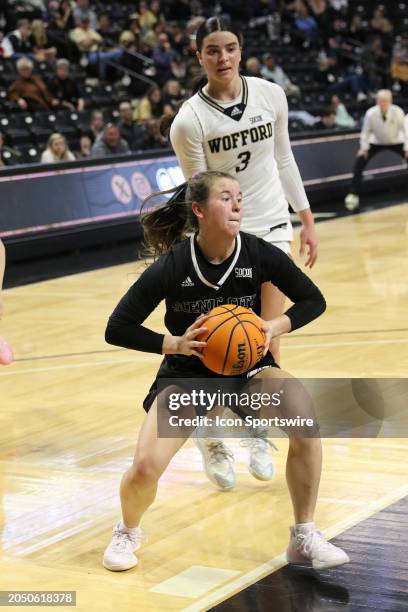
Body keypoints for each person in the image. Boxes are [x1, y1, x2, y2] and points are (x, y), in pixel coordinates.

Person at [102, 170, 350, 572]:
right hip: (190, 375)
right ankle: (127, 530)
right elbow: (117, 327)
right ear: (199, 210)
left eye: (239, 197)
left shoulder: (259, 252)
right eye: (225, 198)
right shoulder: (173, 265)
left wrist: (274, 326)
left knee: (305, 417)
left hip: (248, 371)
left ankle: (303, 535)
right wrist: (175, 343)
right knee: (145, 467)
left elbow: (313, 300)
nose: (237, 204)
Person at [167, 17, 318, 489]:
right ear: (199, 57)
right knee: (217, 343)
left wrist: (306, 217)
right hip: (224, 235)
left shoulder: (271, 94)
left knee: (265, 340)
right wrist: (211, 242)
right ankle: (211, 432)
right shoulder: (189, 120)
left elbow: (284, 157)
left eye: (230, 47)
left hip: (272, 226)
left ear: (241, 48)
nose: (224, 57)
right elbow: (201, 192)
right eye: (212, 50)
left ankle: (256, 427)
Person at [344, 90, 408, 211]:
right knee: (360, 161)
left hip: (396, 141)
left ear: (390, 101)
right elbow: (365, 133)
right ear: (377, 101)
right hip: (376, 142)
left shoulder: (397, 111)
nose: (383, 103)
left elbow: (406, 131)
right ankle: (353, 194)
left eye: (385, 101)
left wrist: (407, 148)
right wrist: (364, 148)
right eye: (380, 101)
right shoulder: (370, 113)